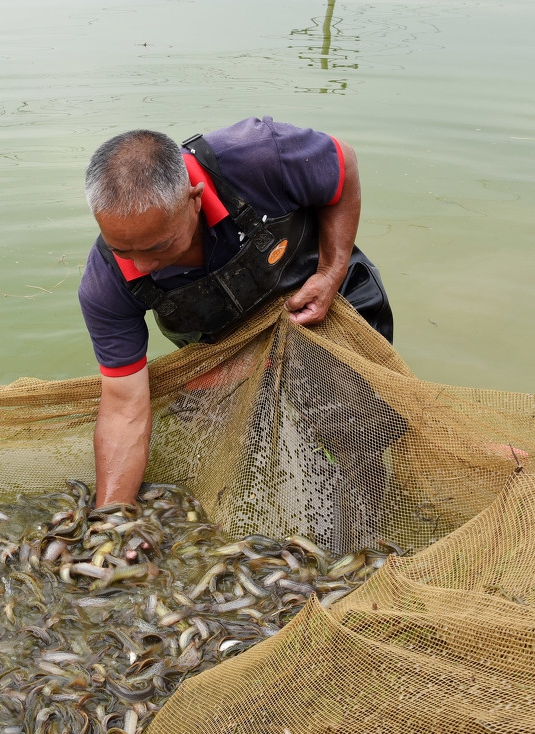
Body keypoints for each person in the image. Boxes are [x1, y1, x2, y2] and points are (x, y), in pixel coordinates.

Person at [78, 118, 395, 507]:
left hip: (323, 310)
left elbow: (342, 163)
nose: (141, 266)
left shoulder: (258, 155)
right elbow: (125, 407)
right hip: (227, 352)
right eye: (124, 250)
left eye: (159, 247)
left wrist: (332, 270)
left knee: (356, 431)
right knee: (216, 443)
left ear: (194, 201)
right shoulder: (105, 283)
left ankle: (369, 514)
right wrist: (109, 522)